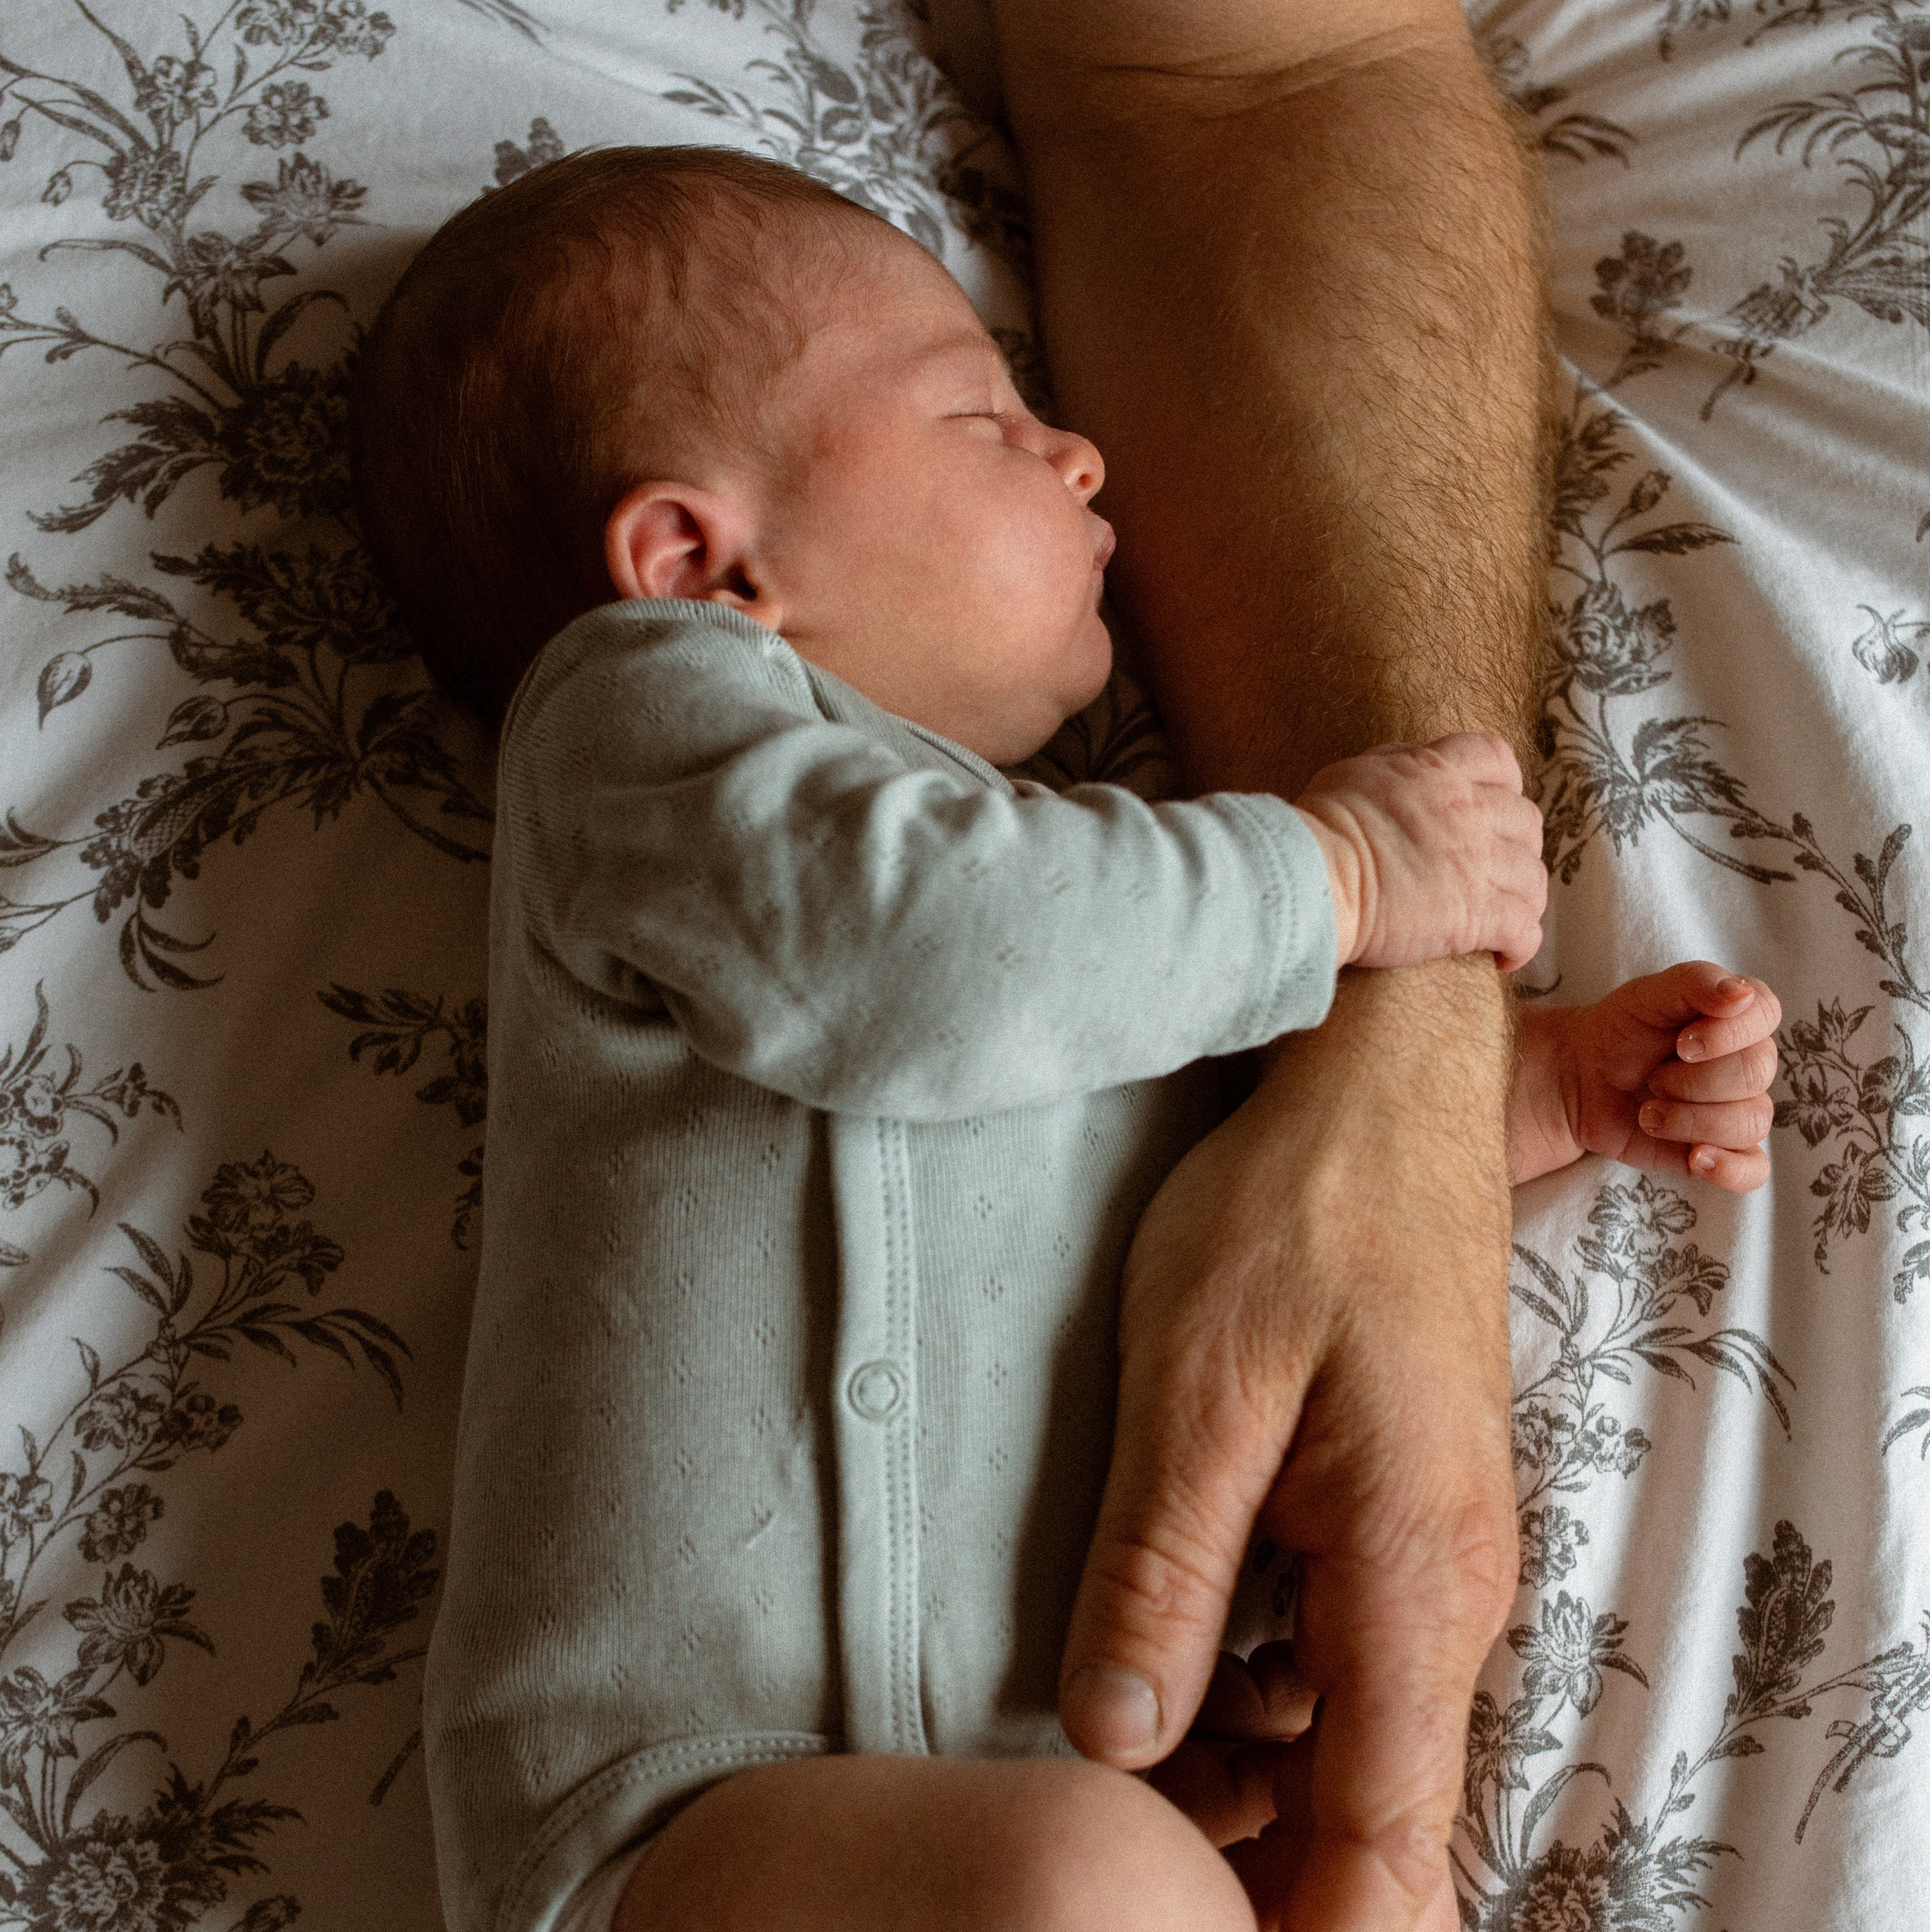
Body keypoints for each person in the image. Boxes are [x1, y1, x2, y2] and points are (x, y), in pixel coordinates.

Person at [348, 148, 1780, 1932]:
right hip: (676, 1823)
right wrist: (1333, 875)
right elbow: (911, 953)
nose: (1076, 448)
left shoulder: (1077, 923)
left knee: (1126, 1871)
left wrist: (1531, 1092)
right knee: (1088, 1882)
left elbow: (1189, 1172)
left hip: (974, 1808)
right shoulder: (642, 729)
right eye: (981, 412)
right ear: (696, 560)